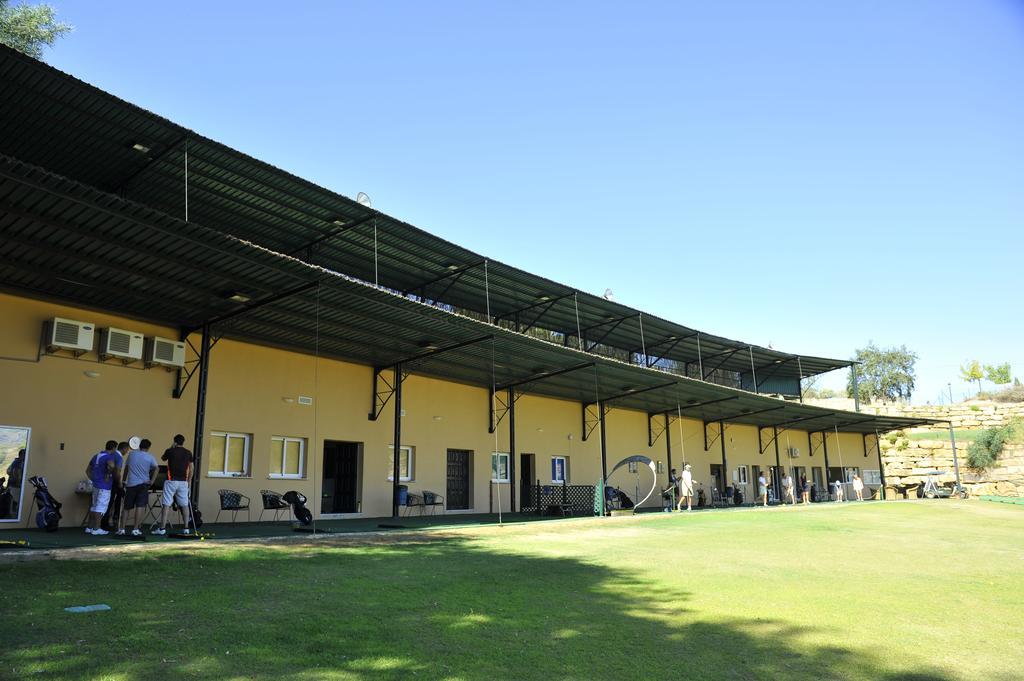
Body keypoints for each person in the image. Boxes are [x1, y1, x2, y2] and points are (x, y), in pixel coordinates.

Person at [118, 439, 158, 536]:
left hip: (131, 484)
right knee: (140, 507)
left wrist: (124, 480)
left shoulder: (131, 454)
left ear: (139, 445)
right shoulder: (150, 457)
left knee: (126, 507)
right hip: (143, 485)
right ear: (148, 447)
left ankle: (122, 529)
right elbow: (157, 468)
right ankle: (135, 529)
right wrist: (152, 481)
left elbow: (127, 467)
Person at [155, 434, 194, 535]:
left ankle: (162, 528)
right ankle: (186, 528)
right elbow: (191, 468)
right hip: (183, 482)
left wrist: (171, 447)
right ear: (183, 442)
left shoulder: (170, 451)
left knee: (166, 504)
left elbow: (163, 458)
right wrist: (189, 480)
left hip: (171, 480)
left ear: (175, 441)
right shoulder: (188, 453)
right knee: (185, 505)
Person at [85, 441, 123, 535]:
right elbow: (111, 465)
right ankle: (96, 528)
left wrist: (93, 479)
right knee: (100, 507)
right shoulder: (109, 457)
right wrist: (109, 473)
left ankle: (89, 527)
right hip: (104, 486)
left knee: (94, 506)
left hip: (96, 485)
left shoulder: (96, 456)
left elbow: (87, 471)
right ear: (114, 448)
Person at [5, 449, 25, 515]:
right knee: (14, 504)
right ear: (21, 455)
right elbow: (17, 474)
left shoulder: (15, 461)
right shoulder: (20, 463)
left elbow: (8, 471)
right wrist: (18, 481)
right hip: (16, 486)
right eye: (24, 454)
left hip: (11, 485)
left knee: (11, 502)